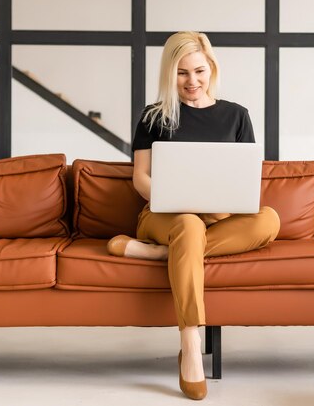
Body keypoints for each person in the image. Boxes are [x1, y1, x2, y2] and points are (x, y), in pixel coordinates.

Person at [107, 31, 280, 400]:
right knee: (188, 223)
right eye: (182, 73)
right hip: (164, 216)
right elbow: (140, 178)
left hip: (216, 219)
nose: (192, 82)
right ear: (170, 74)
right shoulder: (154, 116)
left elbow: (244, 182)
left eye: (199, 71)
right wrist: (184, 201)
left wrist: (215, 205)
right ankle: (190, 342)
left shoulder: (237, 116)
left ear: (211, 68)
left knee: (269, 219)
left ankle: (160, 254)